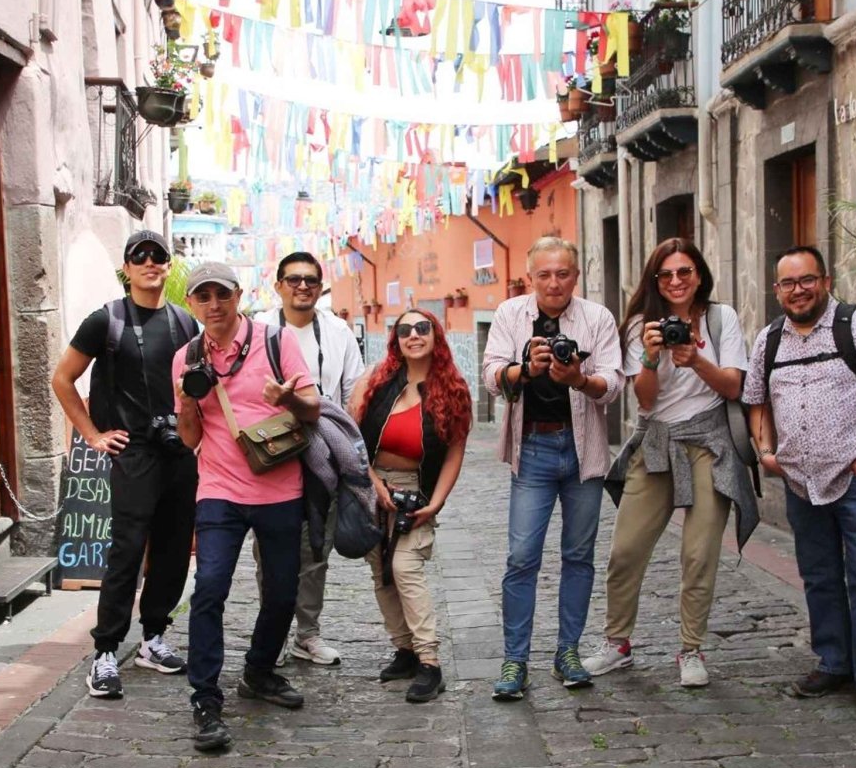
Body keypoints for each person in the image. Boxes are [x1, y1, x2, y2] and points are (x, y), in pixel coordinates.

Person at [744, 246, 856, 723]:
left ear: (825, 280)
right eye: (788, 283)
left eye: (807, 280)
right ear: (777, 289)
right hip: (800, 482)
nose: (797, 290)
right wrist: (765, 450)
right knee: (820, 577)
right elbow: (756, 400)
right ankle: (835, 662)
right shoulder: (770, 340)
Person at [584, 238, 758, 688]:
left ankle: (691, 648)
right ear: (655, 280)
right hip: (656, 440)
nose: (676, 281)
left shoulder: (722, 319)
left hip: (709, 441)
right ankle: (617, 643)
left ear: (699, 274)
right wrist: (650, 355)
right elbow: (644, 399)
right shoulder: (642, 325)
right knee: (625, 550)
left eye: (684, 272)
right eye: (666, 274)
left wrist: (696, 359)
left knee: (698, 552)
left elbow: (734, 387)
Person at [170, 262, 322, 752]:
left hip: (280, 487)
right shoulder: (186, 358)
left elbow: (313, 406)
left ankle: (258, 671)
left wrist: (287, 398)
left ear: (238, 295)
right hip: (218, 488)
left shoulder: (276, 342)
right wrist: (186, 404)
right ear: (192, 304)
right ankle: (205, 697)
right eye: (202, 297)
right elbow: (190, 438)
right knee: (210, 588)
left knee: (281, 594)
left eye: (221, 294)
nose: (213, 305)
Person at [51, 230, 198, 699]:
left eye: (158, 257)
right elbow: (63, 378)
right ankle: (105, 652)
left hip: (178, 451)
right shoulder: (106, 321)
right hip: (132, 452)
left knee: (175, 551)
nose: (150, 263)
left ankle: (153, 638)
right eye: (141, 257)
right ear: (127, 268)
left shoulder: (184, 323)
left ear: (168, 266)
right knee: (127, 551)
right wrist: (92, 435)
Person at [482, 237, 623, 700]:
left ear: (575, 277)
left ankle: (568, 652)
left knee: (578, 557)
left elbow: (613, 386)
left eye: (563, 273)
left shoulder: (597, 318)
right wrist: (525, 368)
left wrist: (578, 378)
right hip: (534, 449)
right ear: (531, 277)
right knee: (521, 558)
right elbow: (490, 375)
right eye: (544, 274)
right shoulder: (509, 315)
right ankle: (515, 660)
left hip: (585, 452)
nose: (554, 282)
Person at [349, 309, 470, 704]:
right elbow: (351, 438)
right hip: (373, 488)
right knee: (381, 571)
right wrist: (372, 482)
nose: (414, 335)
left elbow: (454, 451)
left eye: (422, 328)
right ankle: (404, 650)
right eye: (405, 330)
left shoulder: (452, 390)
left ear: (435, 336)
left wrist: (436, 502)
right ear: (395, 339)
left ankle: (429, 661)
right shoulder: (376, 380)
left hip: (414, 491)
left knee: (404, 566)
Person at [253, 251, 365, 668]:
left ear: (320, 287)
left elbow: (353, 394)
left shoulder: (337, 332)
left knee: (317, 545)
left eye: (311, 281)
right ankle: (273, 633)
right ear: (278, 285)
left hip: (324, 451)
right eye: (294, 279)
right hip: (271, 451)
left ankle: (307, 634)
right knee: (271, 547)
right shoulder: (259, 328)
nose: (303, 286)